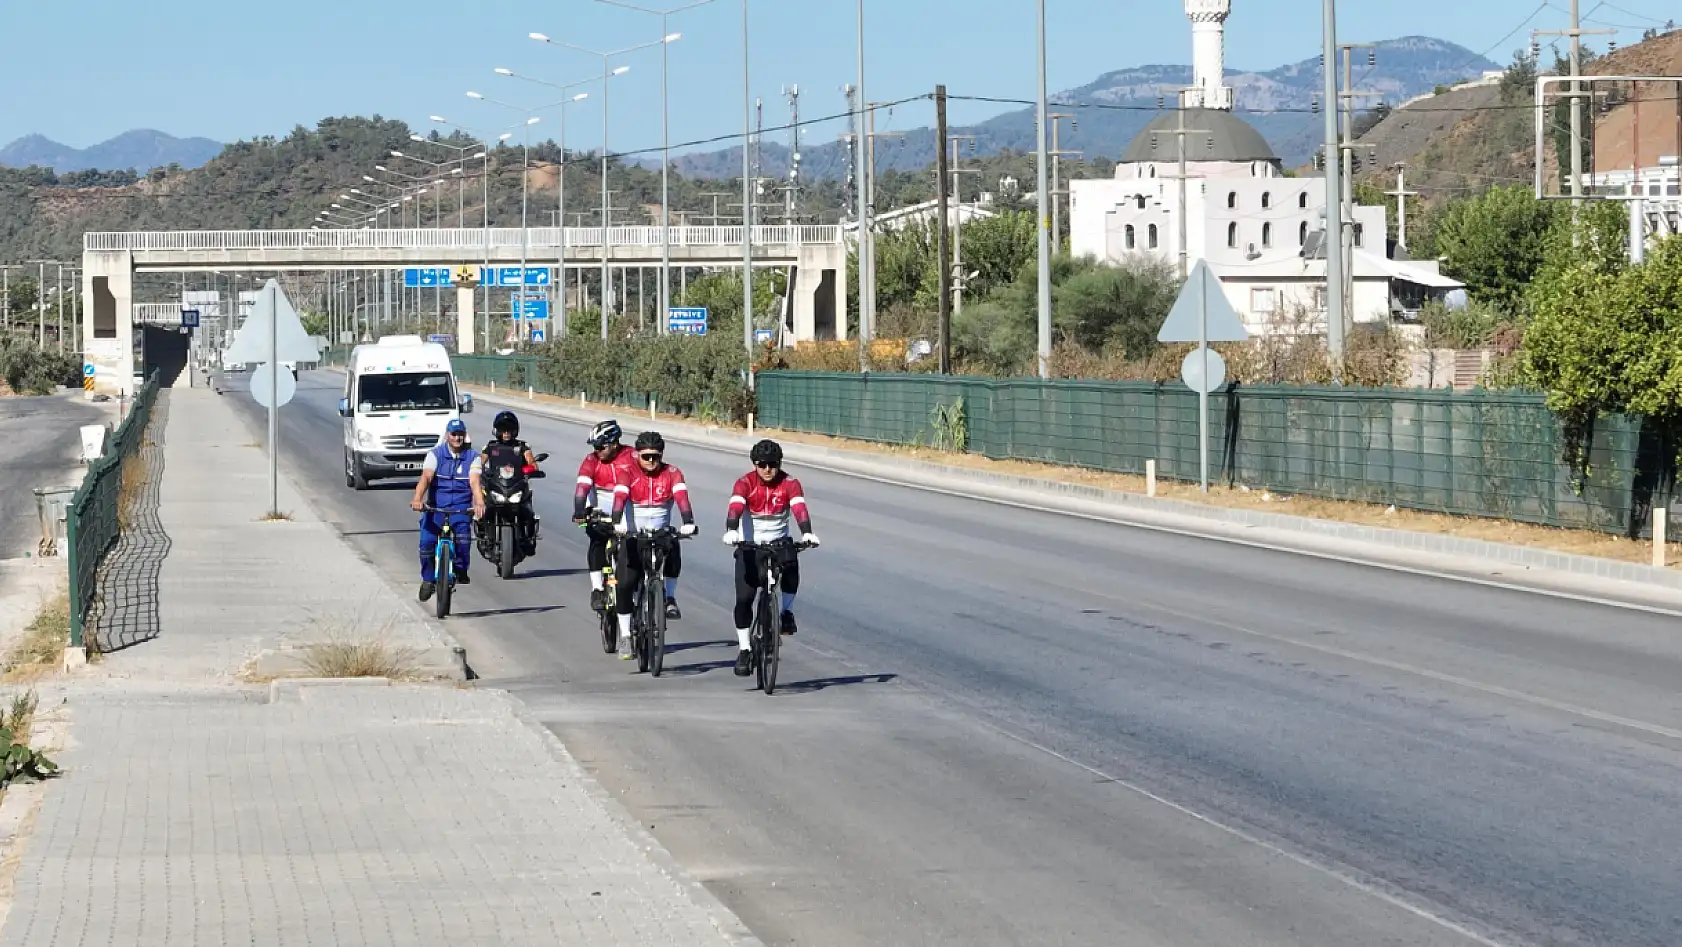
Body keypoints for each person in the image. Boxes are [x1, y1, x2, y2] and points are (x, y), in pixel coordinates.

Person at [721, 439, 819, 676]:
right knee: (744, 598)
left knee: (793, 565)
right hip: (750, 545)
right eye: (762, 464)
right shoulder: (745, 483)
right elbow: (735, 507)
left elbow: (799, 509)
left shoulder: (790, 483)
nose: (767, 469)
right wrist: (732, 529)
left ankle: (786, 612)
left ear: (779, 464)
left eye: (772, 464)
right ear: (754, 464)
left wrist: (807, 533)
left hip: (778, 543)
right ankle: (744, 649)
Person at [609, 431, 697, 658]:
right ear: (637, 455)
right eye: (646, 456)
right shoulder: (626, 472)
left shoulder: (672, 473)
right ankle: (626, 636)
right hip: (633, 535)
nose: (651, 462)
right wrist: (617, 521)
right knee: (625, 584)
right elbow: (619, 498)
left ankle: (669, 597)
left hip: (660, 533)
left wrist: (688, 522)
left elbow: (682, 499)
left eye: (655, 457)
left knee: (675, 546)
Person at [410, 418, 485, 601]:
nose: (457, 438)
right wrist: (418, 499)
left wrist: (479, 503)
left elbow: (475, 481)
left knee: (463, 540)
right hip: (435, 508)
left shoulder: (473, 457)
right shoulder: (435, 454)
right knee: (426, 544)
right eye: (454, 434)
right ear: (447, 435)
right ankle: (428, 580)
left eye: (460, 434)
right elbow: (426, 478)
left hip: (460, 508)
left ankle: (460, 569)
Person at [572, 420, 637, 612]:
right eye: (594, 446)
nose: (597, 450)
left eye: (601, 446)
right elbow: (582, 487)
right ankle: (597, 588)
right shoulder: (592, 460)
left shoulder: (632, 456)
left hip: (627, 512)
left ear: (615, 443)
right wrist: (579, 511)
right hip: (600, 511)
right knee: (597, 539)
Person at [481, 409, 541, 552]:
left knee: (528, 511)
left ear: (515, 430)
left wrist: (530, 469)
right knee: (481, 510)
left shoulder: (522, 446)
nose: (506, 433)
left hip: (516, 485)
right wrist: (477, 471)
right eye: (503, 430)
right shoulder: (490, 446)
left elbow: (532, 463)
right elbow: (479, 463)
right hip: (496, 485)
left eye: (509, 430)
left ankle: (529, 538)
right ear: (497, 431)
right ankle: (484, 536)